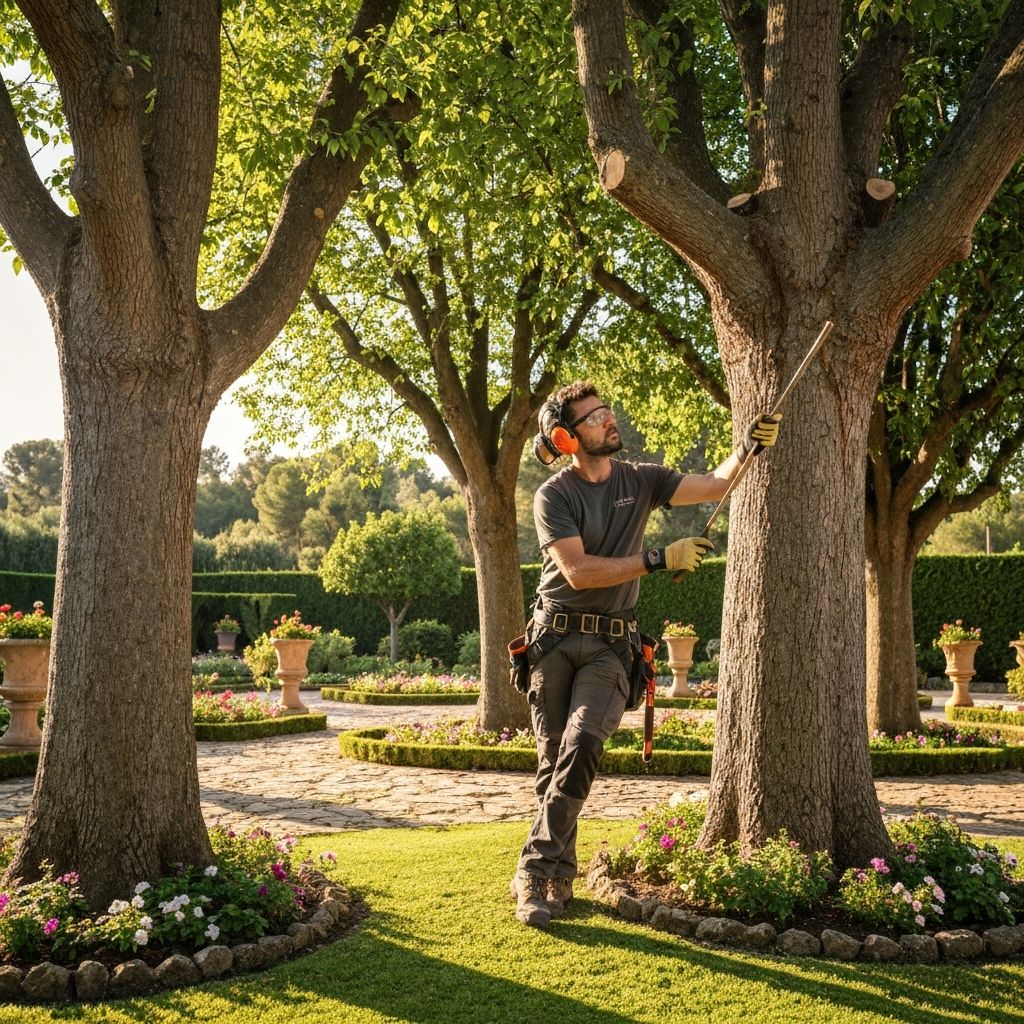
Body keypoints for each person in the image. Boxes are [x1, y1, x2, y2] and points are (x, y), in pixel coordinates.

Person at [510, 380, 781, 928]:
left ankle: (534, 870)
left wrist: (748, 446)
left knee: (583, 744)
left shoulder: (642, 479)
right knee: (551, 765)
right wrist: (659, 558)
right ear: (566, 438)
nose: (609, 420)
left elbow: (717, 483)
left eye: (608, 410)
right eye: (594, 417)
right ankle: (557, 879)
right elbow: (579, 571)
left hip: (612, 645)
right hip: (553, 641)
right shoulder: (554, 496)